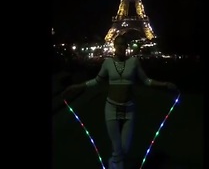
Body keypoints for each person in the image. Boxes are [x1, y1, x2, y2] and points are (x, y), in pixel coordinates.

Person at [62, 35, 177, 169]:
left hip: (129, 109)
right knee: (117, 148)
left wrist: (164, 84)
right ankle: (116, 165)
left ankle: (114, 163)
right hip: (111, 108)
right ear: (114, 46)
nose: (121, 47)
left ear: (126, 46)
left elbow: (146, 81)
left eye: (124, 44)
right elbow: (96, 81)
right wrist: (76, 86)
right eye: (118, 44)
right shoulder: (107, 63)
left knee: (124, 148)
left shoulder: (134, 62)